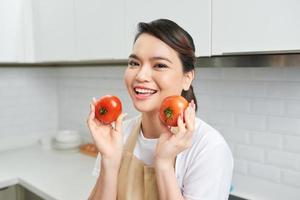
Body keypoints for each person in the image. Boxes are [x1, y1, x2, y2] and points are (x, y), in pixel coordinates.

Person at [87, 19, 233, 200]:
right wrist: (109, 160)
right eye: (134, 63)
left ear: (187, 78)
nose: (141, 75)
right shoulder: (119, 135)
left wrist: (163, 164)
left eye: (160, 65)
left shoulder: (208, 148)